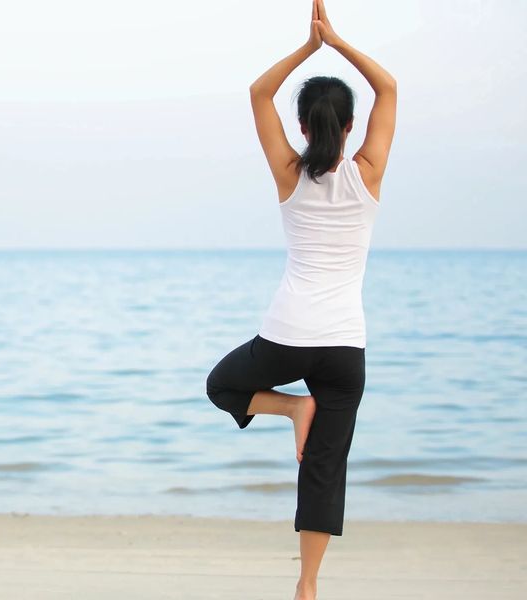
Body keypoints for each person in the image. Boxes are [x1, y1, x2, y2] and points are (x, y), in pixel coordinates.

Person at [205, 1, 396, 598]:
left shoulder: (289, 172)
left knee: (222, 386)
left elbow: (259, 94)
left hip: (286, 338)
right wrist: (336, 43)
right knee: (324, 469)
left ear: (306, 128)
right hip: (345, 347)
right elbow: (388, 85)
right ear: (348, 126)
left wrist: (307, 49)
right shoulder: (368, 172)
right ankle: (307, 585)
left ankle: (291, 409)